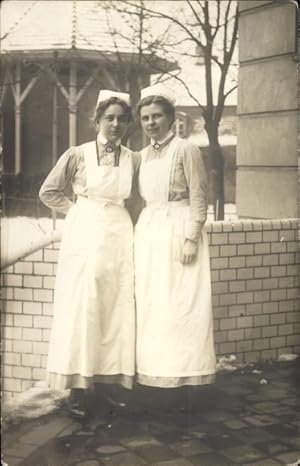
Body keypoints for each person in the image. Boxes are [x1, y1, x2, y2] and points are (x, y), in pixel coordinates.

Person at [39, 90, 138, 417]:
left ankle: (110, 382)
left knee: (116, 307)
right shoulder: (77, 154)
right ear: (96, 120)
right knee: (85, 306)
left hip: (120, 234)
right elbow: (49, 191)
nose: (115, 124)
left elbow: (136, 198)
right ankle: (79, 388)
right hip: (85, 235)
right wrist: (77, 212)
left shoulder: (132, 158)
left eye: (121, 119)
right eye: (109, 117)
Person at [134, 83, 216, 397]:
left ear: (170, 118)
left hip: (179, 229)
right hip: (150, 232)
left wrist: (191, 237)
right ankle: (156, 377)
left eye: (157, 116)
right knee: (155, 305)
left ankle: (186, 382)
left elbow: (199, 196)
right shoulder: (141, 156)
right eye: (145, 117)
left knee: (182, 304)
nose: (151, 123)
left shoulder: (186, 149)